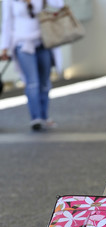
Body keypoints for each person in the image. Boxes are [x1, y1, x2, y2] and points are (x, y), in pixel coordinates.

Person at [0, 0, 64, 131]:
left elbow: (59, 5)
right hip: (22, 44)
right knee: (32, 82)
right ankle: (36, 118)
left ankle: (45, 117)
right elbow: (7, 21)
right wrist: (4, 47)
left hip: (44, 41)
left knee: (45, 82)